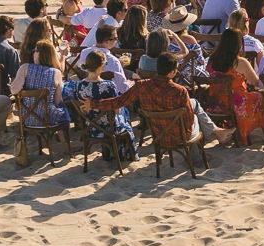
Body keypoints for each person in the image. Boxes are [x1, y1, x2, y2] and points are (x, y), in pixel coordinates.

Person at [81, 54, 234, 146]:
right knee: (194, 111)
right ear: (173, 72)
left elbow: (118, 101)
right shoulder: (180, 91)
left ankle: (216, 131)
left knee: (194, 104)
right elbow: (187, 121)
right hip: (180, 136)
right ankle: (215, 132)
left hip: (159, 135)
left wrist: (93, 103)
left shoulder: (142, 86)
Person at [65, 52, 137, 161]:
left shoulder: (78, 85)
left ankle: (109, 152)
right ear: (100, 66)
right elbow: (116, 110)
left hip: (91, 127)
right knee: (124, 113)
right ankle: (124, 153)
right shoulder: (109, 86)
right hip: (109, 128)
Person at [205, 29, 264, 145]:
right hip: (236, 103)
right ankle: (251, 132)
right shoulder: (240, 62)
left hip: (216, 102)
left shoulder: (212, 60)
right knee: (261, 96)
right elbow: (256, 82)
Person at [10, 39, 71, 127]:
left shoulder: (25, 68)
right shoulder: (56, 73)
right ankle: (63, 138)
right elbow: (58, 101)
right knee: (65, 110)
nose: (33, 53)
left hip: (27, 119)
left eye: (35, 51)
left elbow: (14, 90)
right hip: (49, 121)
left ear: (39, 53)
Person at [81, 26, 133, 93]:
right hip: (107, 96)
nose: (116, 40)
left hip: (85, 91)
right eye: (115, 38)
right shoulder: (113, 61)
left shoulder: (84, 52)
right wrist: (131, 84)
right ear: (107, 41)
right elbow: (123, 89)